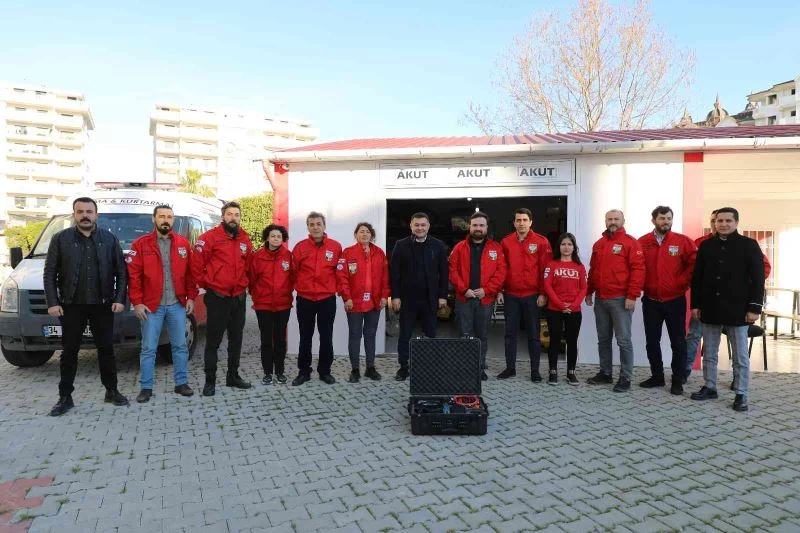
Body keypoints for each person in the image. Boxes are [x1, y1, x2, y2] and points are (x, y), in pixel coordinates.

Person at [44, 197, 129, 416]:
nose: (85, 215)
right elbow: (50, 273)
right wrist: (53, 302)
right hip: (71, 306)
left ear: (96, 215)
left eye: (89, 211)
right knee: (69, 352)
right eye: (80, 211)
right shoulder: (60, 239)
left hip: (102, 305)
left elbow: (121, 272)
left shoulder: (109, 239)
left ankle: (111, 391)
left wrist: (119, 299)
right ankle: (65, 397)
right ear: (74, 214)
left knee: (106, 350)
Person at [685, 210, 771, 387]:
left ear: (736, 222)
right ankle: (709, 387)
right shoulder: (706, 246)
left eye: (728, 220)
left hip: (737, 310)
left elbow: (758, 278)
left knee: (740, 356)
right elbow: (698, 278)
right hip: (710, 308)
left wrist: (755, 308)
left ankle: (741, 392)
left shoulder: (749, 245)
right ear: (714, 223)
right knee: (709, 353)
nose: (723, 224)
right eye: (719, 221)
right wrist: (696, 305)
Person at [127, 205, 198, 402]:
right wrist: (137, 303)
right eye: (162, 216)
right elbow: (134, 277)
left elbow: (191, 274)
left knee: (180, 346)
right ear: (154, 219)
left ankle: (181, 383)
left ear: (173, 220)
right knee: (149, 348)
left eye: (169, 217)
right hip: (151, 306)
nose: (166, 220)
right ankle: (146, 388)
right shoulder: (140, 244)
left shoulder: (183, 244)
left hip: (177, 304)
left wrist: (191, 297)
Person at [191, 201, 253, 396]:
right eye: (230, 214)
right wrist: (209, 285)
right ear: (223, 217)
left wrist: (244, 284)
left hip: (239, 298)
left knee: (236, 339)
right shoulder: (209, 238)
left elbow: (249, 266)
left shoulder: (245, 239)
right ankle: (210, 381)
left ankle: (233, 376)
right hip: (218, 297)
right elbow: (196, 266)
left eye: (237, 215)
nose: (233, 218)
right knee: (213, 341)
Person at [637, 206, 697, 395]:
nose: (666, 222)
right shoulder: (642, 242)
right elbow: (636, 267)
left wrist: (681, 283)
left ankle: (677, 380)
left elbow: (694, 265)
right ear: (653, 220)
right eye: (662, 218)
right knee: (652, 341)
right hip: (651, 300)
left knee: (678, 342)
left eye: (669, 218)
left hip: (675, 300)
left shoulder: (683, 242)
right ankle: (657, 376)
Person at [585, 209, 645, 392]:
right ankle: (605, 373)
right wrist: (589, 291)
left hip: (621, 300)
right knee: (603, 339)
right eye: (609, 219)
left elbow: (638, 270)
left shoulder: (630, 243)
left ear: (623, 221)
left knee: (623, 340)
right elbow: (593, 270)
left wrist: (632, 295)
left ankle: (625, 377)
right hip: (601, 299)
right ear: (605, 221)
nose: (613, 221)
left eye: (616, 219)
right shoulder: (599, 244)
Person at [390, 212, 449, 381]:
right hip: (407, 299)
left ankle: (428, 368)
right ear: (411, 226)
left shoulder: (438, 246)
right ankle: (403, 367)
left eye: (423, 225)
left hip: (430, 298)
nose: (420, 228)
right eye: (416, 225)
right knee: (405, 334)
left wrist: (443, 296)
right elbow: (394, 274)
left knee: (430, 333)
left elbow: (444, 273)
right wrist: (395, 296)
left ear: (428, 226)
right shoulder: (400, 245)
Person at [448, 212, 507, 380]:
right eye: (475, 225)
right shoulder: (459, 247)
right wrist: (463, 289)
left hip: (485, 299)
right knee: (464, 334)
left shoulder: (496, 248)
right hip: (464, 298)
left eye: (481, 225)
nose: (478, 228)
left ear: (487, 228)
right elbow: (452, 271)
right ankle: (465, 368)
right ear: (470, 227)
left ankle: (480, 367)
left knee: (482, 335)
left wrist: (487, 290)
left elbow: (501, 272)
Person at [497, 208, 553, 381]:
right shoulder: (506, 242)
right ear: (514, 223)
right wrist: (499, 289)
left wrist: (543, 293)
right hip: (511, 295)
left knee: (533, 334)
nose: (521, 223)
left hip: (532, 295)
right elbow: (501, 268)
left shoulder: (541, 242)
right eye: (518, 220)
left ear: (530, 222)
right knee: (509, 334)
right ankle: (510, 368)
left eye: (524, 220)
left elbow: (546, 270)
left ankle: (534, 371)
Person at [291, 211, 342, 385]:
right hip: (305, 299)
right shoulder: (300, 247)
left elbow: (338, 273)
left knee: (326, 336)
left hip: (327, 298)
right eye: (312, 224)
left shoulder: (335, 247)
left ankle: (325, 371)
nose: (315, 227)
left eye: (318, 224)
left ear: (324, 226)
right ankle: (304, 372)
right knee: (305, 336)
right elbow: (294, 271)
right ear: (308, 227)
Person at [338, 222, 390, 382]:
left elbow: (385, 277)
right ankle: (355, 370)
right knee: (355, 335)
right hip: (354, 302)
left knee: (370, 335)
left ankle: (370, 367)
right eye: (361, 232)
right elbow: (342, 278)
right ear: (356, 235)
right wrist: (347, 297)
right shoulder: (347, 253)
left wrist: (384, 296)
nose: (365, 234)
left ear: (371, 235)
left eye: (367, 232)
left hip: (374, 302)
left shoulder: (379, 253)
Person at [248, 224, 294, 385]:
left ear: (283, 239)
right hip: (263, 305)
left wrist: (286, 293)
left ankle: (280, 371)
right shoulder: (257, 256)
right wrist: (257, 296)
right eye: (273, 236)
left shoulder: (288, 256)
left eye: (279, 236)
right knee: (266, 340)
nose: (276, 239)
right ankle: (267, 372)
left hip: (283, 305)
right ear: (267, 237)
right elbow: (252, 280)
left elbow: (293, 279)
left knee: (280, 339)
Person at [542, 233, 587, 386]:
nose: (566, 247)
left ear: (574, 247)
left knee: (572, 341)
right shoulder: (551, 265)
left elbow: (583, 288)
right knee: (554, 341)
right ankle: (552, 371)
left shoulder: (579, 267)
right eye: (563, 244)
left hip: (574, 311)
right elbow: (547, 286)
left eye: (569, 244)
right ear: (559, 247)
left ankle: (571, 372)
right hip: (554, 309)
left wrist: (573, 306)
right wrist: (561, 305)